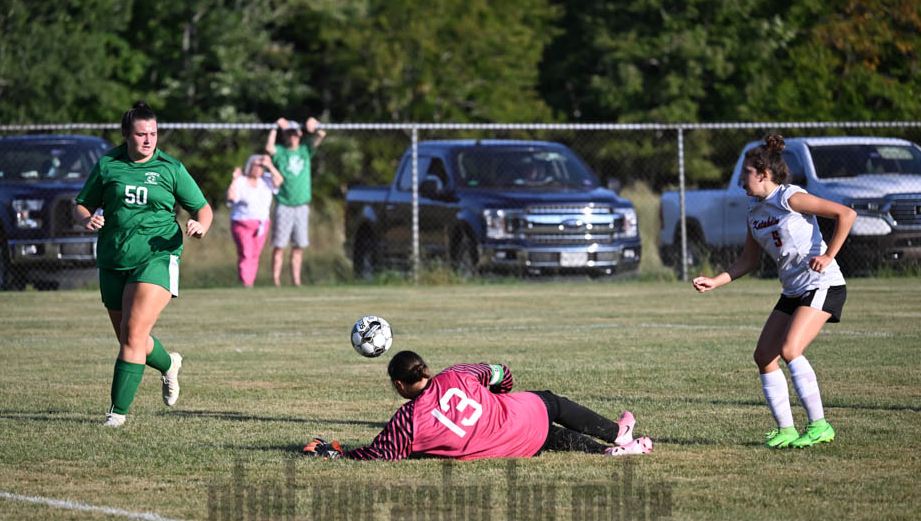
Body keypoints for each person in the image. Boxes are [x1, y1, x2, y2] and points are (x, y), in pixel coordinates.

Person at [692, 134, 856, 449]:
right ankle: (786, 430)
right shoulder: (755, 213)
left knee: (791, 349)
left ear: (764, 174)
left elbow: (846, 215)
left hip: (822, 285)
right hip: (794, 290)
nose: (741, 181)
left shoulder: (789, 197)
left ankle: (820, 425)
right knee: (765, 355)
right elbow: (747, 261)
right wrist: (716, 280)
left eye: (745, 175)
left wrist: (827, 256)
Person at [74, 100, 213, 427]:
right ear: (126, 135)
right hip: (114, 257)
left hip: (158, 256)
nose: (148, 140)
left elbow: (203, 209)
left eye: (153, 133)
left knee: (134, 333)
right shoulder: (108, 164)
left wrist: (200, 225)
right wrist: (86, 219)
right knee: (129, 337)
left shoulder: (170, 168)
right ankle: (169, 365)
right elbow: (81, 205)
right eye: (141, 134)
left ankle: (116, 415)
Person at [302, 350, 653, 460]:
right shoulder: (458, 373)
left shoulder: (406, 421)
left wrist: (330, 451)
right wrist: (503, 396)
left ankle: (607, 449)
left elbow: (377, 455)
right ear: (425, 368)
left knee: (547, 436)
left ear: (399, 386)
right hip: (521, 419)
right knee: (549, 403)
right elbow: (502, 372)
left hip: (515, 448)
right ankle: (616, 434)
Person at [265, 116, 326, 287]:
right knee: (279, 246)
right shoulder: (281, 152)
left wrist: (312, 126)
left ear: (300, 135)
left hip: (301, 206)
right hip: (284, 204)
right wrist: (275, 127)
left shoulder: (305, 150)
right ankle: (276, 281)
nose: (292, 137)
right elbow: (269, 148)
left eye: (295, 134)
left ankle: (296, 281)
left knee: (298, 246)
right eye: (289, 134)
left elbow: (321, 134)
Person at [226, 153, 283, 287]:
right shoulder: (241, 181)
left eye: (260, 167)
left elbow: (280, 180)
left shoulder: (267, 180)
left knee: (255, 254)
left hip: (261, 224)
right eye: (255, 166)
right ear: (249, 166)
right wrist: (234, 179)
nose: (258, 169)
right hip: (242, 222)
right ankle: (246, 282)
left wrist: (269, 165)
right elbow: (231, 198)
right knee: (246, 253)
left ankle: (249, 282)